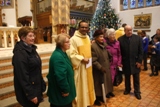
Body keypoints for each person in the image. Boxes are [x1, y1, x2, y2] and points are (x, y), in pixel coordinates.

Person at [12, 26, 46, 107]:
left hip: (35, 87)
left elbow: (36, 69)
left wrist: (42, 83)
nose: (33, 38)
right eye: (30, 36)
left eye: (33, 35)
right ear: (23, 38)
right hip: (28, 92)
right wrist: (30, 94)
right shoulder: (20, 53)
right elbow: (23, 76)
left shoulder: (31, 49)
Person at [67, 20, 95, 107]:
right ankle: (81, 104)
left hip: (88, 66)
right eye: (82, 27)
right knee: (81, 87)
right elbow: (71, 54)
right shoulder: (73, 39)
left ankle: (87, 102)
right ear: (78, 28)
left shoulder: (87, 37)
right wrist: (82, 58)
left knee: (88, 84)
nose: (84, 29)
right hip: (80, 68)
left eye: (86, 27)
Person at [47, 33, 76, 107]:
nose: (69, 44)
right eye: (67, 42)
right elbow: (61, 76)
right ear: (61, 44)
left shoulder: (62, 53)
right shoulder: (58, 56)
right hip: (61, 95)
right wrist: (65, 90)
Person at [118, 25, 143, 100]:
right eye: (128, 30)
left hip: (135, 62)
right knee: (127, 77)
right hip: (126, 62)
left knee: (136, 78)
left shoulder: (138, 38)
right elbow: (120, 52)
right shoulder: (120, 39)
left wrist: (139, 61)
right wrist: (121, 62)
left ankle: (137, 92)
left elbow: (141, 51)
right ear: (125, 31)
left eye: (131, 30)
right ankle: (127, 89)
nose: (129, 32)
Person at [91, 30, 113, 106]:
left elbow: (106, 53)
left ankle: (102, 96)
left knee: (105, 83)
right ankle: (97, 98)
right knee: (98, 84)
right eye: (100, 37)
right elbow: (93, 60)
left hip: (106, 67)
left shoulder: (104, 44)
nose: (102, 38)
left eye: (103, 36)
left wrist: (110, 56)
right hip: (99, 70)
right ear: (96, 38)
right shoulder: (94, 46)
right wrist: (100, 68)